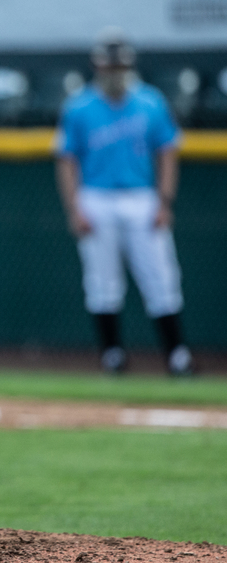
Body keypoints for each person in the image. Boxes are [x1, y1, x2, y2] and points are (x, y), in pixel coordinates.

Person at [55, 29, 194, 376]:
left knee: (160, 277)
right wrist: (75, 207)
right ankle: (112, 356)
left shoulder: (150, 101)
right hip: (97, 197)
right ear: (98, 66)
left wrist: (164, 201)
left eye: (121, 64)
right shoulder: (80, 106)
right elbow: (67, 160)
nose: (115, 70)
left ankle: (177, 355)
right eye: (109, 64)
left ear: (129, 66)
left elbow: (167, 153)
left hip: (141, 196)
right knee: (103, 282)